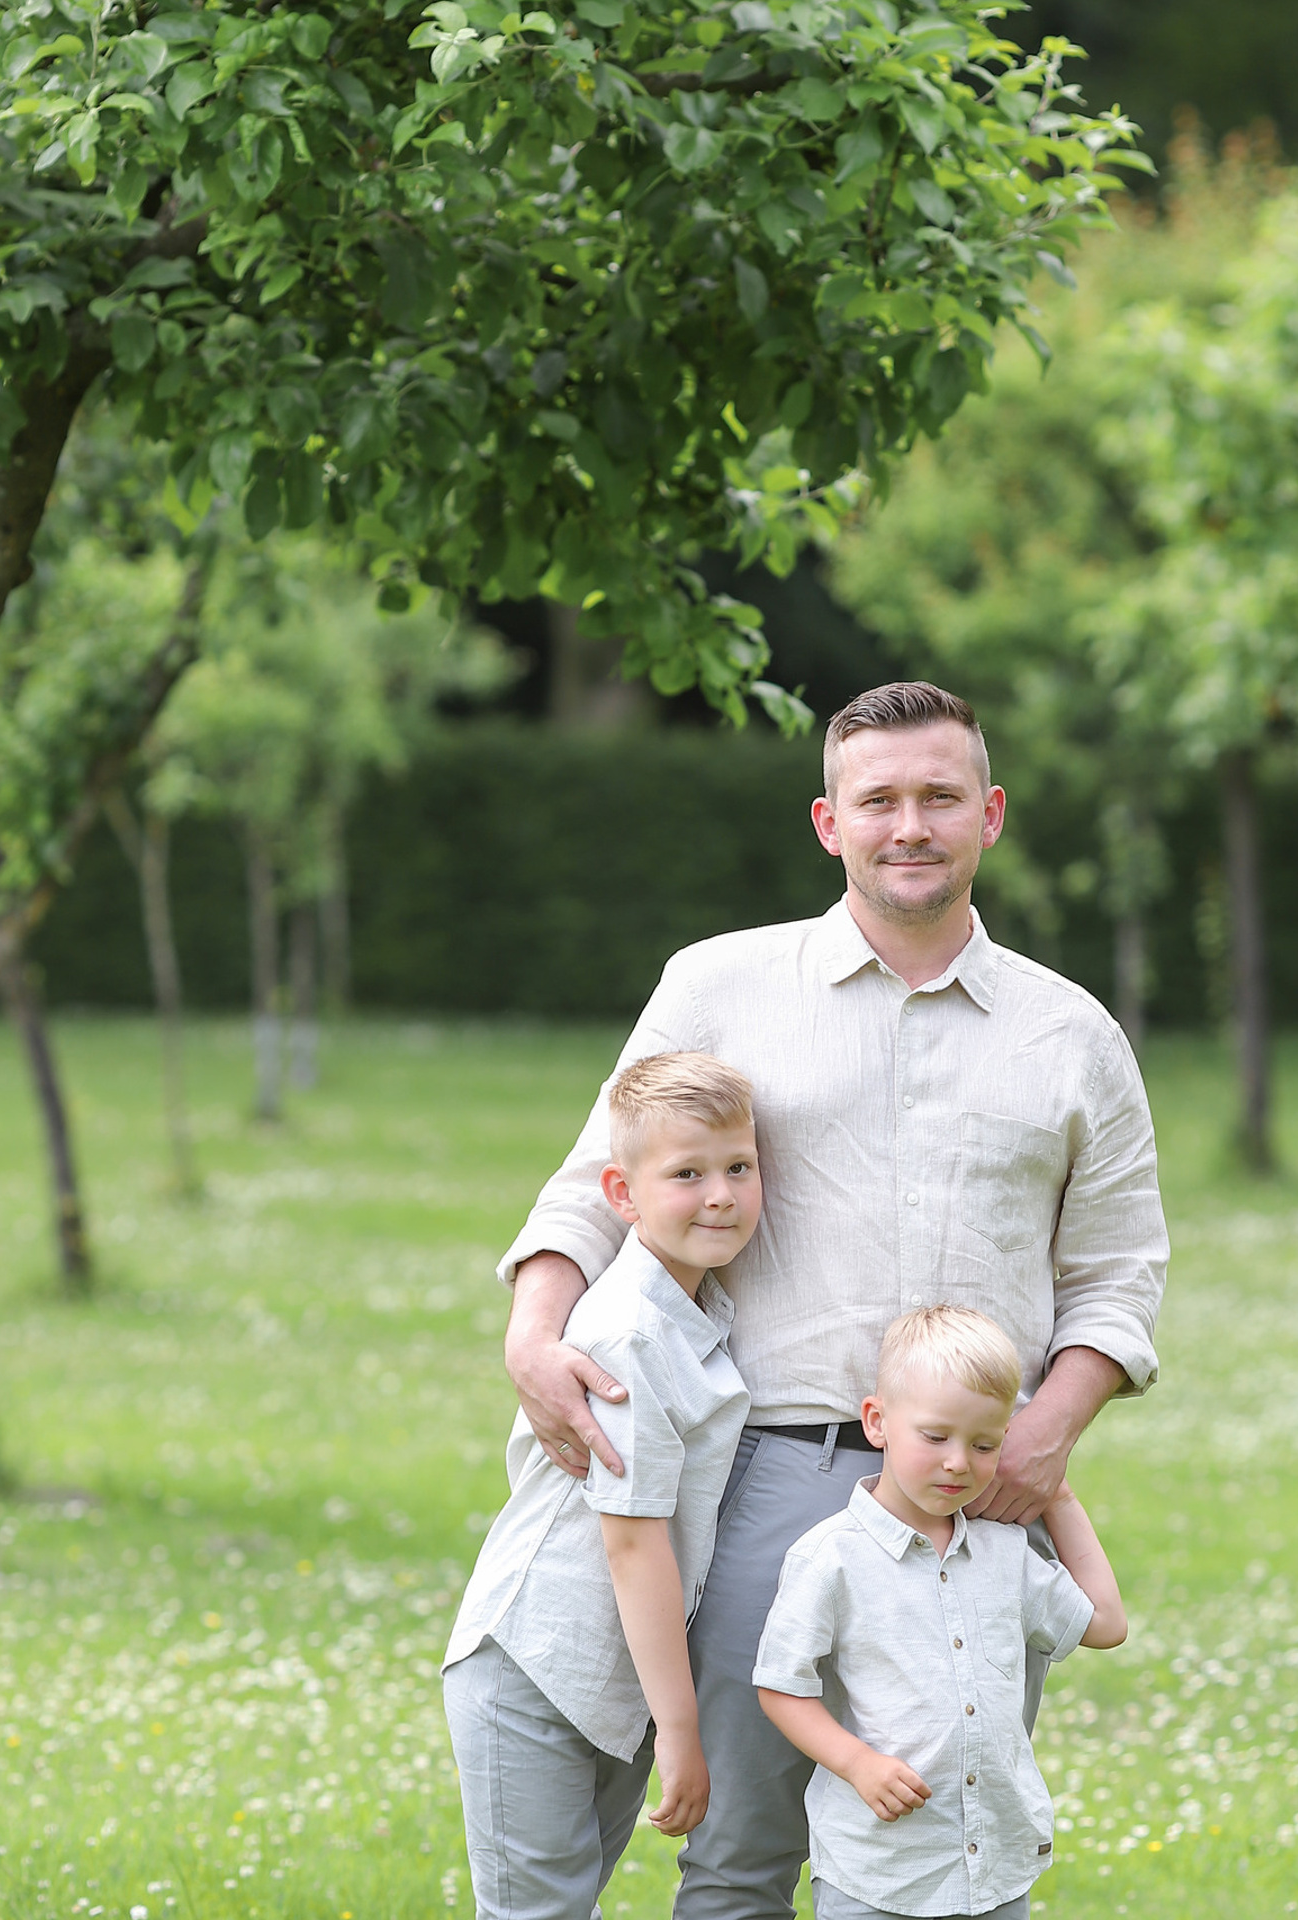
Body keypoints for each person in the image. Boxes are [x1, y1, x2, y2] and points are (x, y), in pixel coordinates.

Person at [499, 680, 1170, 1919]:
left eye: (939, 797)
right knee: (743, 1853)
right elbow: (594, 1187)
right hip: (771, 1476)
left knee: (949, 1855)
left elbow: (1120, 1274)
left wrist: (1047, 1432)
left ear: (991, 815)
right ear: (829, 822)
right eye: (880, 800)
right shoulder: (719, 987)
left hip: (980, 1494)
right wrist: (534, 1332)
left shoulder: (1071, 1033)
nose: (909, 825)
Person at [442, 1052, 761, 1920]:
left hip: (613, 1684)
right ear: (622, 1195)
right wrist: (684, 1730)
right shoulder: (628, 1333)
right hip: (536, 1668)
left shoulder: (699, 1306)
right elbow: (631, 1541)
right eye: (687, 1174)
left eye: (739, 1167)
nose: (721, 1194)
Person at [755, 1307, 1127, 1920]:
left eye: (985, 1444)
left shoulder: (1006, 1554)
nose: (959, 1462)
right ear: (877, 1421)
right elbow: (780, 1687)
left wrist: (1058, 1494)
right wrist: (858, 1763)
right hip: (878, 1871)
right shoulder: (831, 1557)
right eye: (935, 1437)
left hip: (995, 1869)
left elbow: (1106, 1624)